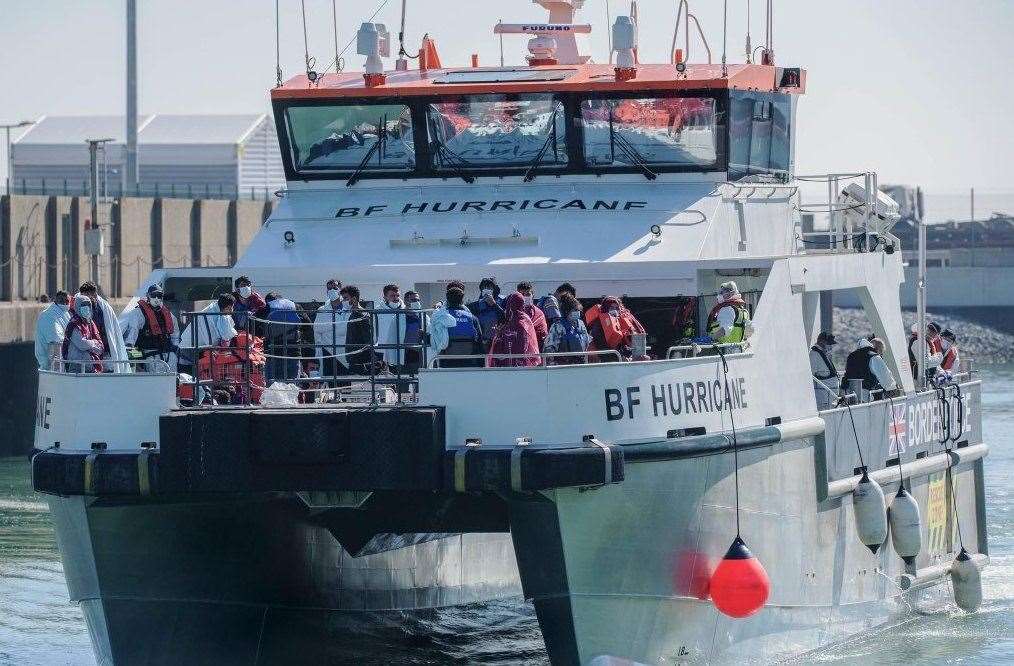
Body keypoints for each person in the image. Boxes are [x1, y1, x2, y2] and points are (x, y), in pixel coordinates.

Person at [121, 284, 180, 369]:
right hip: (149, 355)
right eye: (154, 295)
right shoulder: (138, 313)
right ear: (148, 296)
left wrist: (175, 349)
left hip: (169, 356)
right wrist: (132, 356)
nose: (156, 298)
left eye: (159, 296)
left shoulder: (168, 315)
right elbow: (131, 336)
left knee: (172, 377)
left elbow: (175, 336)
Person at [77, 281, 129, 371]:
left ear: (93, 294)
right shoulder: (81, 306)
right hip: (89, 352)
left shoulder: (103, 307)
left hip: (104, 352)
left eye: (85, 296)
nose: (83, 299)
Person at [488, 292, 542, 367]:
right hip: (509, 365)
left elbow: (523, 345)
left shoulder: (522, 322)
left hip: (520, 366)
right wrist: (499, 333)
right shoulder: (511, 321)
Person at [313, 279, 351, 384]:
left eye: (335, 288)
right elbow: (317, 330)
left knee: (345, 382)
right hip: (328, 351)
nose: (332, 291)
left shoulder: (349, 308)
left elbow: (348, 328)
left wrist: (333, 326)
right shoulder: (322, 310)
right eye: (329, 289)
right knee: (331, 383)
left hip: (346, 350)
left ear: (340, 290)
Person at [587, 296, 647, 362]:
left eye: (616, 308)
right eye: (611, 308)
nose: (615, 310)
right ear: (606, 308)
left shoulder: (621, 322)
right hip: (607, 358)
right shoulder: (599, 324)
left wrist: (626, 354)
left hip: (619, 357)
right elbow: (600, 344)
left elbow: (624, 342)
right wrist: (620, 357)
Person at [263, 292, 303, 383]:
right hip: (294, 352)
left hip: (273, 353)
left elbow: (251, 325)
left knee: (273, 389)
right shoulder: (295, 306)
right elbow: (307, 325)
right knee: (292, 388)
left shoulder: (267, 307)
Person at [440, 287, 485, 368]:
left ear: (447, 301)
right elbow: (480, 342)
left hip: (447, 361)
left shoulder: (441, 317)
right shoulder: (472, 318)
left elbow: (436, 339)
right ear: (462, 301)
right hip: (470, 360)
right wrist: (482, 364)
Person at [544, 293, 593, 364]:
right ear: (566, 311)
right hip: (563, 366)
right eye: (574, 310)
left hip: (580, 364)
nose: (577, 312)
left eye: (578, 310)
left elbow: (586, 342)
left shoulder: (581, 324)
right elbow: (549, 348)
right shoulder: (557, 326)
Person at [340, 285, 378, 375]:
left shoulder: (361, 315)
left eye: (345, 298)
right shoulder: (354, 313)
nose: (343, 301)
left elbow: (368, 338)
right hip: (355, 359)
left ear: (353, 299)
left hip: (361, 361)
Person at [62, 294, 105, 373]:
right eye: (83, 305)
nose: (86, 308)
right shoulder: (74, 324)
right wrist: (94, 342)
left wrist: (90, 344)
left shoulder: (90, 323)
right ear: (77, 306)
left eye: (88, 305)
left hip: (91, 365)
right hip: (77, 366)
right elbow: (82, 344)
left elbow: (101, 347)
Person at [705, 281, 752, 345]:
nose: (719, 295)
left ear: (729, 294)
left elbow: (725, 329)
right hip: (737, 349)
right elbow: (750, 330)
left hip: (723, 350)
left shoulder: (727, 309)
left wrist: (711, 338)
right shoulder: (743, 311)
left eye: (722, 292)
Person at [35, 290, 71, 369]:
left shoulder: (64, 312)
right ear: (56, 300)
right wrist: (57, 371)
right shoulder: (48, 315)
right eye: (62, 301)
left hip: (63, 365)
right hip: (51, 368)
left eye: (67, 301)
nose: (65, 304)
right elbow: (55, 344)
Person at [376, 284, 408, 369]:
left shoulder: (405, 309)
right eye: (392, 296)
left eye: (397, 295)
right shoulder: (378, 311)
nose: (396, 298)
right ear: (385, 297)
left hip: (401, 349)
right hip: (383, 349)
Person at [468, 277, 506, 349]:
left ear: (494, 289)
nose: (486, 289)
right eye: (484, 287)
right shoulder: (475, 305)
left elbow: (505, 318)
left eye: (489, 287)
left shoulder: (503, 302)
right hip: (482, 342)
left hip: (498, 341)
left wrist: (494, 305)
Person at [516, 281, 548, 349]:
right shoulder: (512, 312)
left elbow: (543, 333)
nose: (525, 297)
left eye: (528, 294)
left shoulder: (539, 313)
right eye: (522, 294)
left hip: (535, 349)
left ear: (533, 295)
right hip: (517, 350)